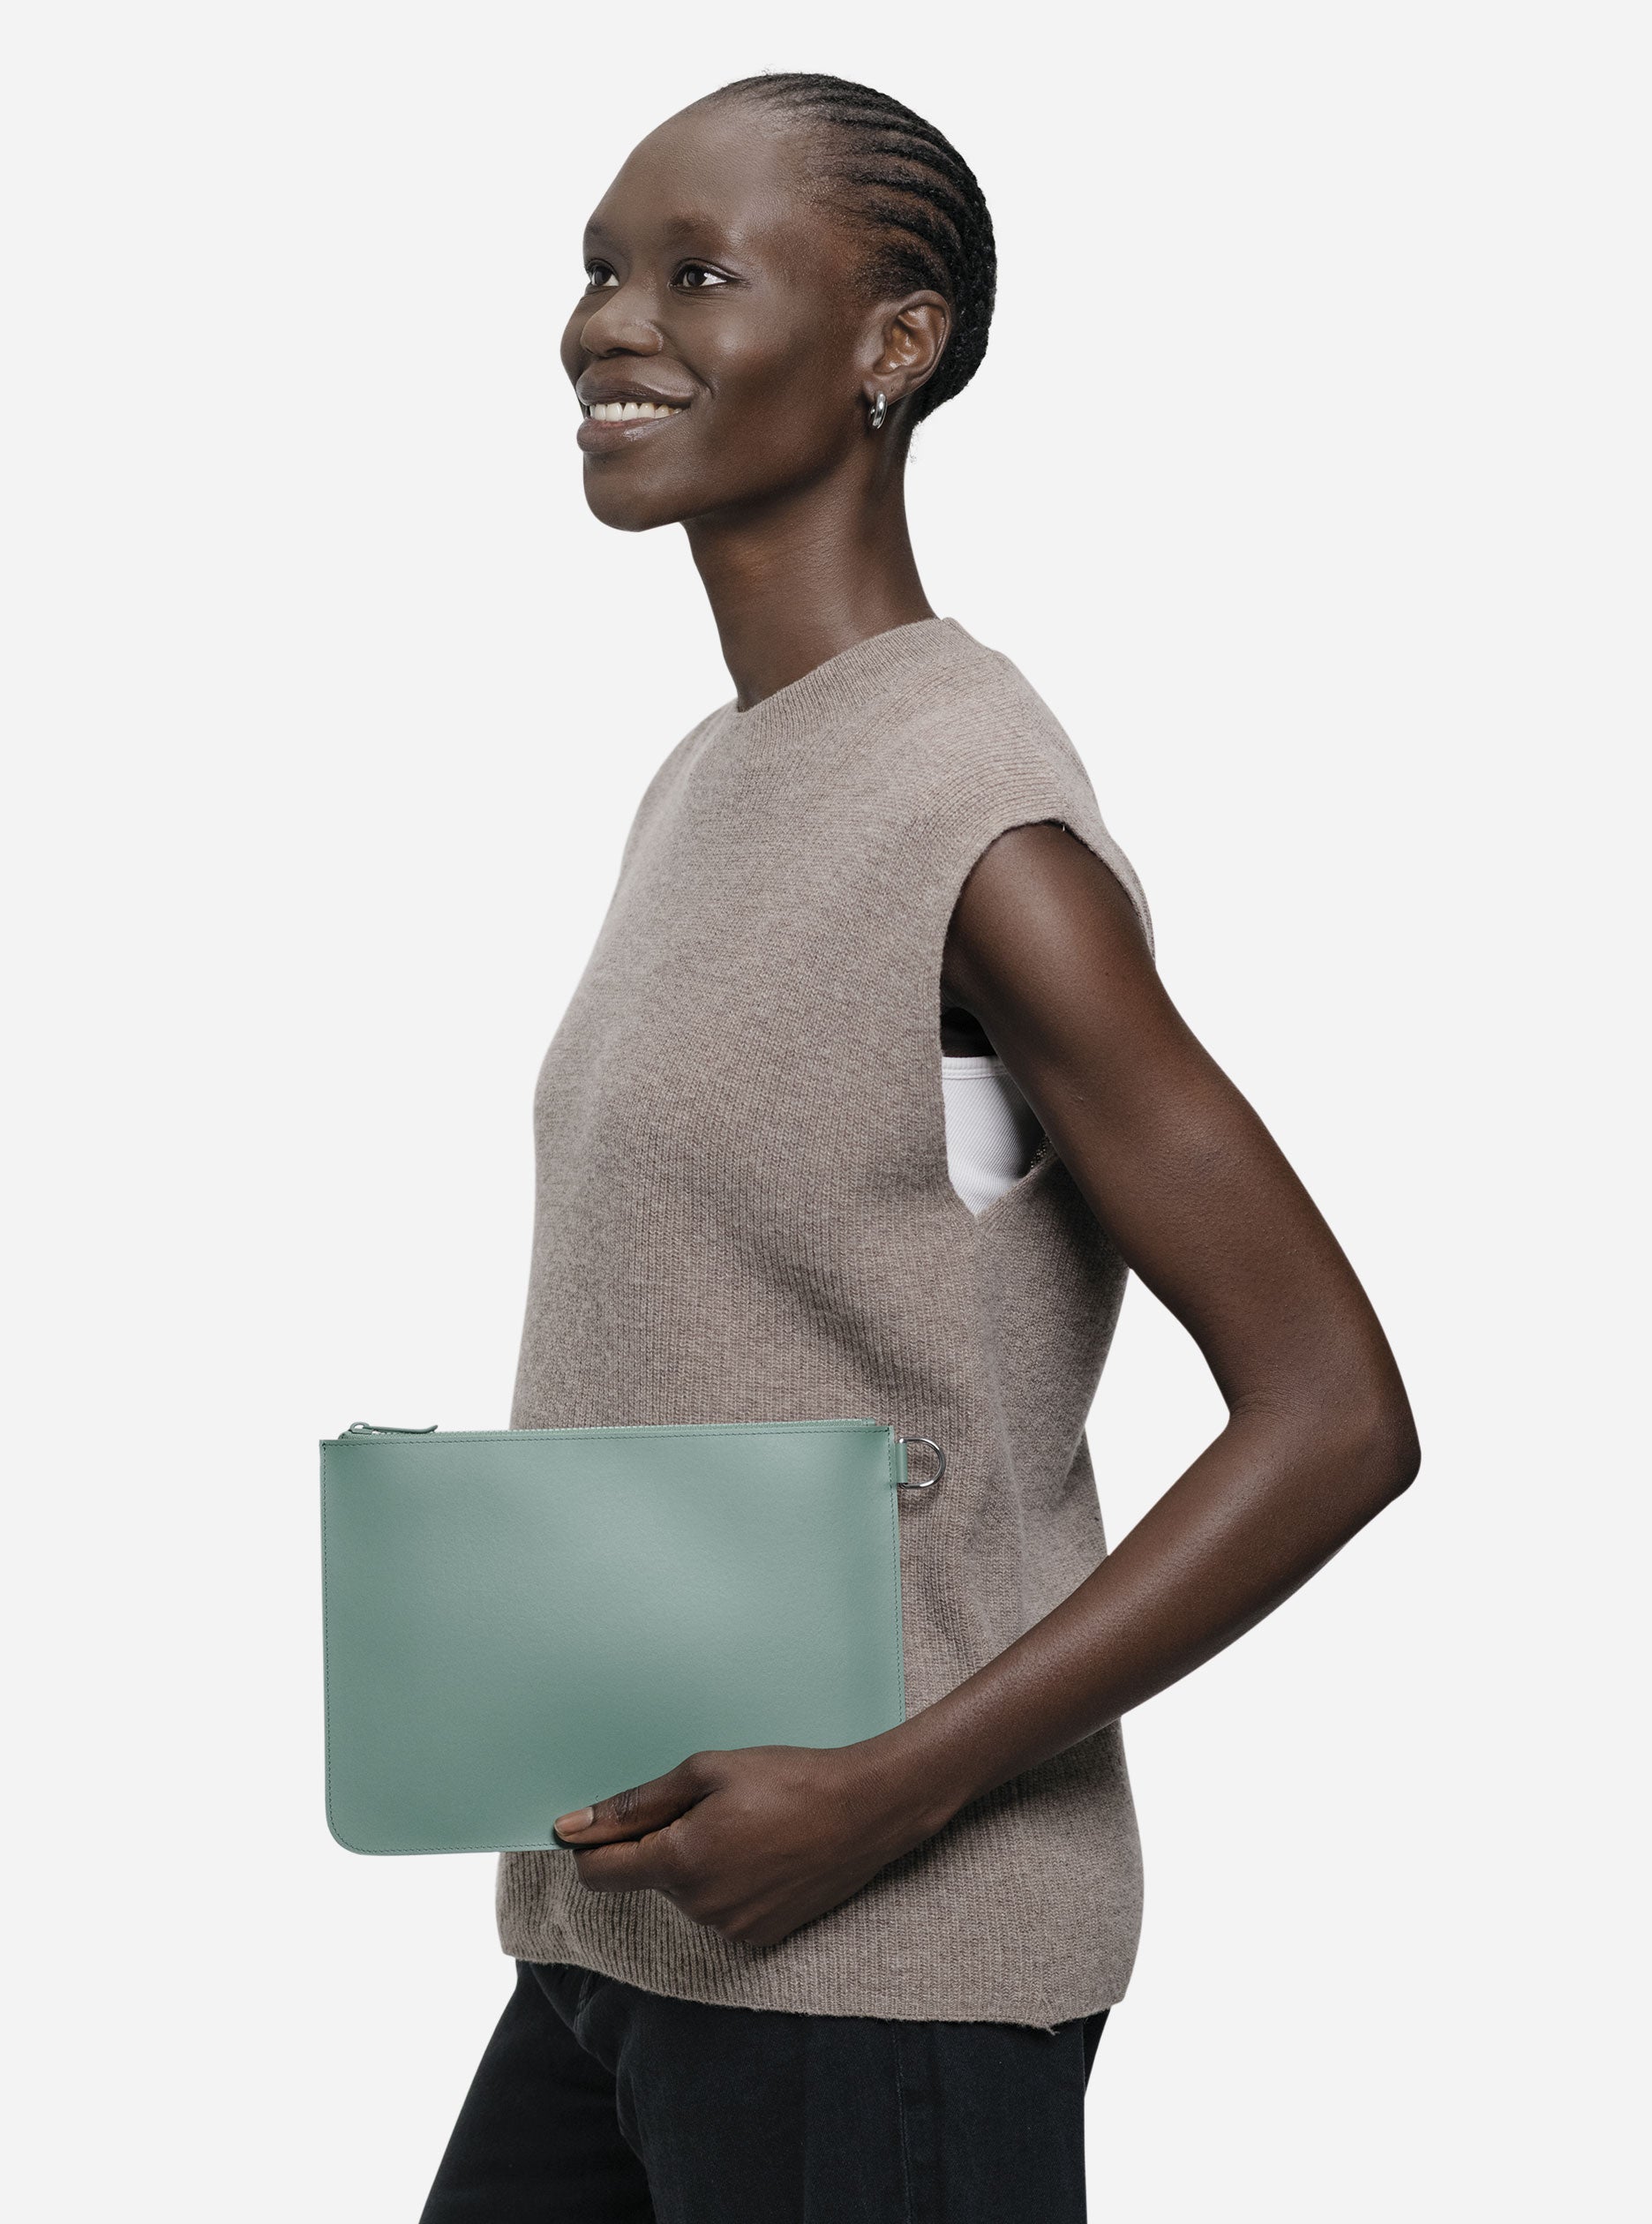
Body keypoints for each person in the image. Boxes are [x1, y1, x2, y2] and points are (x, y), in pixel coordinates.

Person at [420, 71, 1419, 2223]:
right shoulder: (715, 776)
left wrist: (893, 1791)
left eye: (698, 273)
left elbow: (1337, 1413)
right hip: (618, 1938)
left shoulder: (982, 827)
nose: (611, 323)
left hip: (886, 1972)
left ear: (899, 342)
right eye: (599, 267)